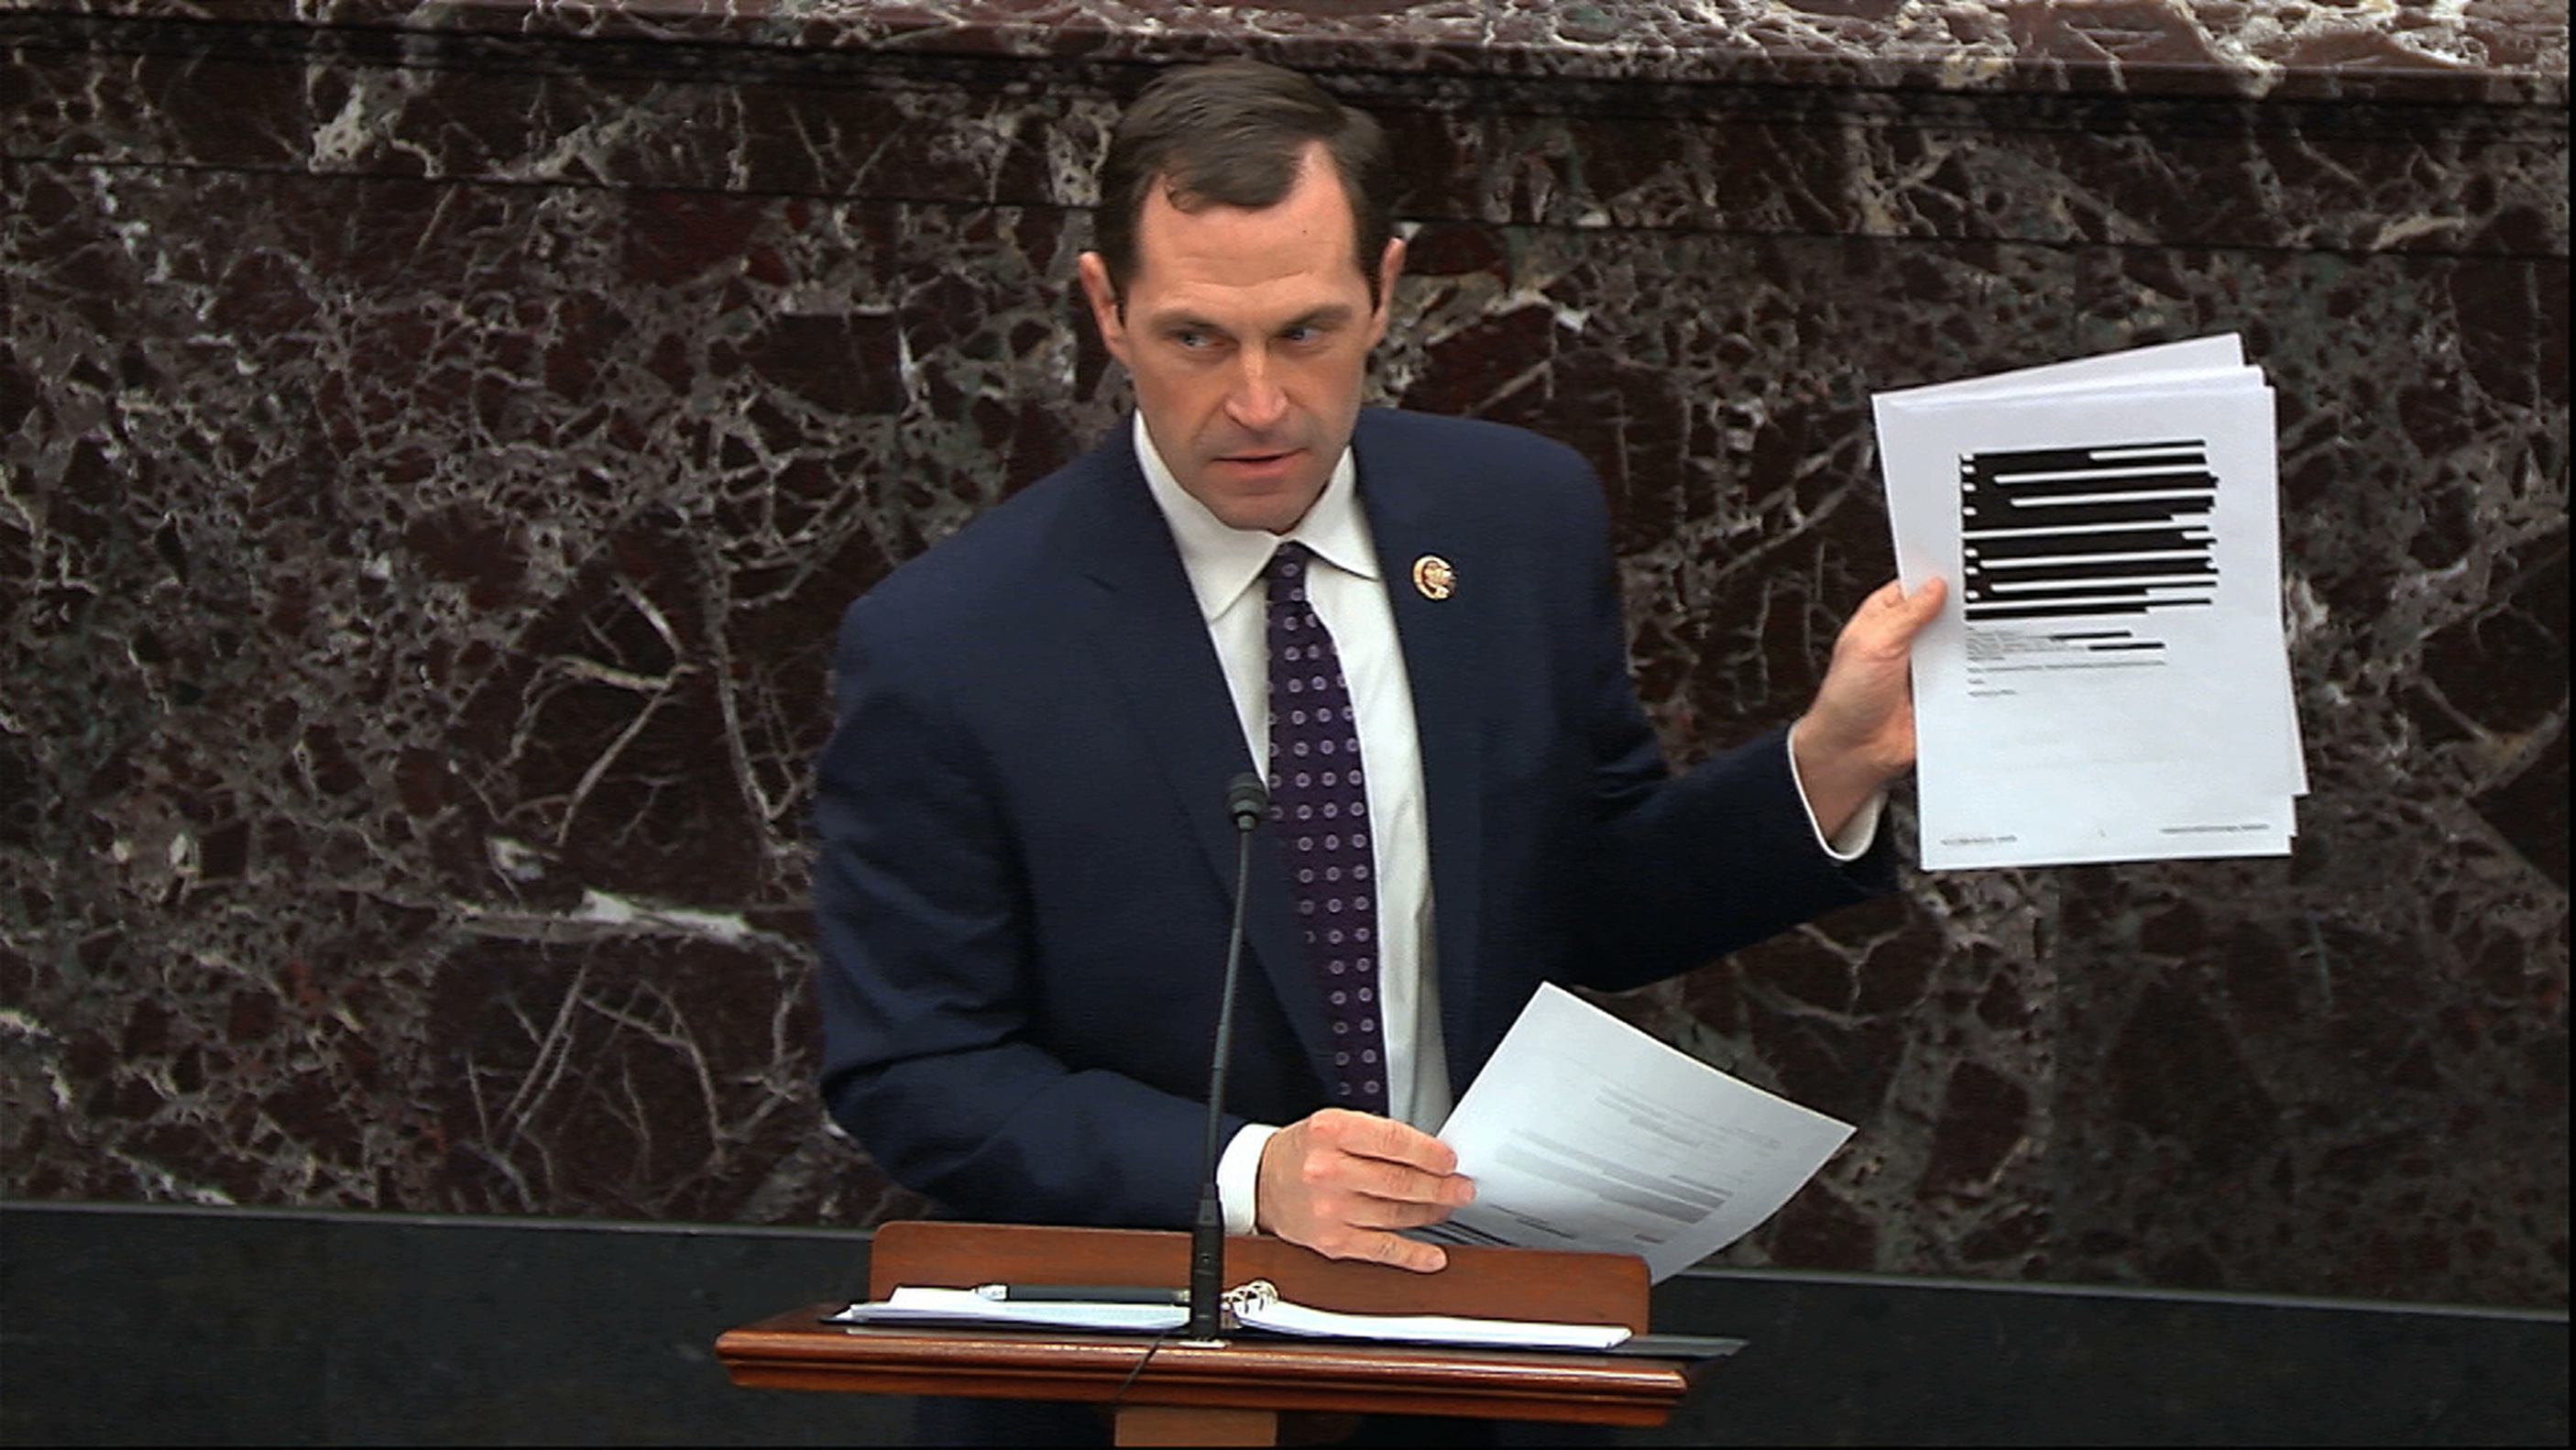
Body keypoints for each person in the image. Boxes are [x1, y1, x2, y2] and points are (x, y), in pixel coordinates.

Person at [812, 58, 1944, 1278]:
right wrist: (1249, 1175)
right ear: (1106, 310)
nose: (1258, 402)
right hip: (1134, 1356)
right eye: (1197, 338)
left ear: (1386, 288)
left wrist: (1829, 764)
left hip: (1477, 1327)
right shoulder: (952, 640)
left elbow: (1588, 897)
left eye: (1307, 332)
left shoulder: (1516, 520)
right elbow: (916, 1068)